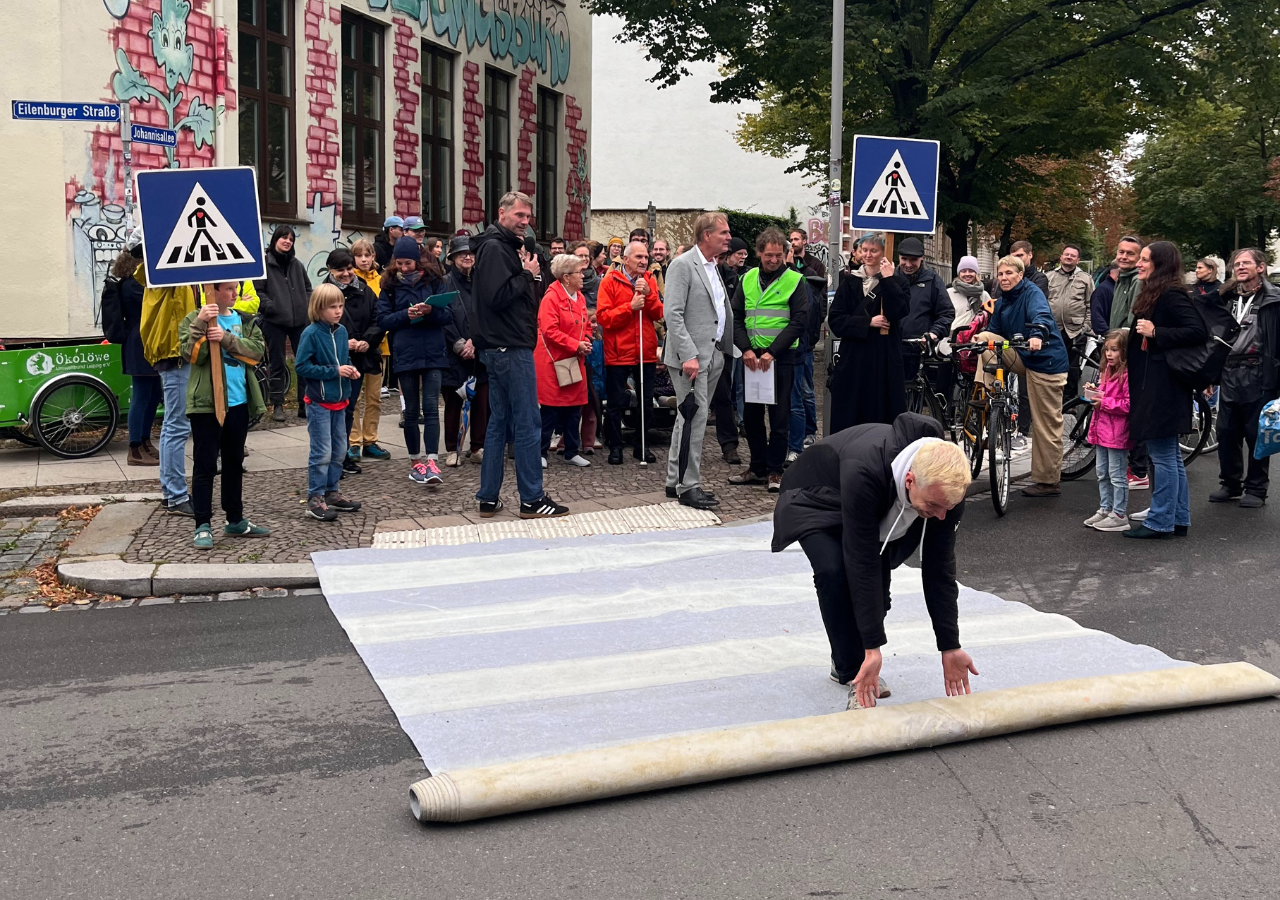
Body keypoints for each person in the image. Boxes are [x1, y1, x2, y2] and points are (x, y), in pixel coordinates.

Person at [771, 413, 978, 710]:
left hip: (870, 502)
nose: (941, 516)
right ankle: (851, 669)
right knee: (836, 573)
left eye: (947, 508)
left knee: (877, 598)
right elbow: (861, 558)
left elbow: (939, 569)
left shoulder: (945, 490)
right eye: (934, 506)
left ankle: (853, 654)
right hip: (814, 495)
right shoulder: (865, 469)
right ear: (910, 480)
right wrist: (872, 650)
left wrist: (950, 645)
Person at [471, 191, 570, 519]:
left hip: (502, 346)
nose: (525, 222)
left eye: (528, 217)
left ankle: (488, 497)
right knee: (528, 422)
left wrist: (529, 274)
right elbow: (496, 296)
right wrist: (527, 275)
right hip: (509, 348)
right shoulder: (496, 248)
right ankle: (531, 499)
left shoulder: (503, 247)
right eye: (519, 216)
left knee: (499, 422)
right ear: (502, 213)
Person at [178, 281, 271, 548]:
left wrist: (226, 338)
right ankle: (202, 524)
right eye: (229, 289)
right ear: (212, 290)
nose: (235, 294)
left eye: (235, 288)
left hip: (238, 402)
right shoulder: (192, 319)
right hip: (207, 404)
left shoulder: (244, 319)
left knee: (234, 462)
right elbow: (192, 354)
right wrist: (201, 325)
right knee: (205, 464)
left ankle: (235, 519)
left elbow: (256, 352)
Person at [1124, 241, 1206, 539]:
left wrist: (1157, 332)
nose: (1139, 264)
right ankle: (1178, 518)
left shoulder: (1171, 294)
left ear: (1161, 264)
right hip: (1158, 383)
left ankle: (1160, 521)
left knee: (1163, 455)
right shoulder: (1158, 292)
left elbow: (1197, 331)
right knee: (1168, 455)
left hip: (1163, 386)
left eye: (1145, 259)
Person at [974, 255, 1069, 497]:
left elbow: (1042, 315)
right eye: (1001, 274)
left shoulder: (1032, 292)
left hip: (1046, 363)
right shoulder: (1004, 300)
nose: (1004, 278)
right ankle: (989, 395)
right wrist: (975, 340)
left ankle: (1048, 482)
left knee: (1045, 425)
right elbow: (994, 331)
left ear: (1020, 275)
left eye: (1009, 273)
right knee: (985, 340)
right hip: (1023, 357)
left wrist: (1037, 334)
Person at [727, 227, 809, 492]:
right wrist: (746, 349)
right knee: (751, 417)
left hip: (780, 359)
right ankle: (757, 468)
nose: (773, 260)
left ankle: (775, 471)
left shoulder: (796, 281)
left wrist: (772, 351)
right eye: (768, 255)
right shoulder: (747, 277)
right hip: (751, 358)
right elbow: (736, 316)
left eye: (778, 255)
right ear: (759, 253)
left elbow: (799, 322)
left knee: (779, 417)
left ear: (786, 254)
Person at [663, 211, 734, 510]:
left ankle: (673, 481)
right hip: (691, 358)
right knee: (695, 418)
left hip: (712, 354)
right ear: (706, 235)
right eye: (724, 233)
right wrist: (689, 354)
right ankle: (687, 485)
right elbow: (673, 314)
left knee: (687, 417)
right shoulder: (683, 265)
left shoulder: (712, 266)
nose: (729, 237)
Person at [378, 235, 452, 486]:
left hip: (432, 351)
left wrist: (431, 311)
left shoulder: (433, 280)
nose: (403, 268)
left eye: (408, 263)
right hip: (405, 351)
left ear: (417, 261)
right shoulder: (388, 285)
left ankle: (432, 461)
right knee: (410, 410)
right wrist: (405, 315)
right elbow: (383, 320)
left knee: (431, 408)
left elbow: (447, 315)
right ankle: (414, 461)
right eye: (399, 264)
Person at [1213, 248, 1280, 508]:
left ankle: (1256, 488)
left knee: (1257, 433)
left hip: (1259, 372)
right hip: (1229, 371)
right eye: (1236, 264)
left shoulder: (1274, 300)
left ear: (1260, 268)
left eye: (1246, 263)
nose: (1240, 267)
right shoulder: (1226, 299)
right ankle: (1230, 483)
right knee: (1227, 432)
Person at [294, 284, 364, 522]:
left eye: (340, 306)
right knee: (322, 451)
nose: (338, 311)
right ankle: (315, 498)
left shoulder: (342, 332)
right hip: (319, 402)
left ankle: (332, 492)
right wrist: (335, 371)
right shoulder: (311, 334)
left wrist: (350, 369)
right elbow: (301, 367)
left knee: (339, 450)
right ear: (319, 308)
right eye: (332, 307)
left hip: (340, 400)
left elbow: (344, 359)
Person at [826, 233, 908, 434]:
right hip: (854, 358)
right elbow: (836, 320)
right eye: (865, 250)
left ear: (883, 253)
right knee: (851, 414)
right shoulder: (849, 282)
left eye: (874, 250)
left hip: (884, 359)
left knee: (882, 412)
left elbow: (899, 311)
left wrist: (888, 280)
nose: (869, 254)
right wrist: (867, 322)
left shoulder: (898, 282)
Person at [138, 247, 198, 517]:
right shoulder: (166, 272)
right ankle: (175, 495)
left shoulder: (164, 272)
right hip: (175, 353)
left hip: (177, 352)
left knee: (174, 425)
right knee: (177, 426)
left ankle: (172, 491)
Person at [598, 240, 664, 465]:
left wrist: (650, 296)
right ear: (625, 259)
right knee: (616, 403)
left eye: (646, 257)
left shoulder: (649, 281)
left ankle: (641, 446)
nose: (644, 261)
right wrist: (630, 308)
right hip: (619, 352)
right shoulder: (610, 282)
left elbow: (657, 315)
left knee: (645, 402)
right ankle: (615, 447)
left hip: (644, 351)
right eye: (639, 257)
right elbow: (604, 318)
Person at [322, 247, 384, 476]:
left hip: (360, 357)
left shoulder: (365, 290)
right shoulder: (323, 292)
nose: (347, 274)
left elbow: (378, 317)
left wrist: (367, 341)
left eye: (349, 269)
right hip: (333, 360)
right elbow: (318, 327)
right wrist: (343, 342)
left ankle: (344, 454)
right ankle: (331, 457)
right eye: (340, 270)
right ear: (330, 270)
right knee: (333, 409)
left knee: (348, 408)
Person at [105, 244, 160, 467]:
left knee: (154, 394)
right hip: (139, 345)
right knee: (141, 396)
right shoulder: (134, 284)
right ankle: (134, 448)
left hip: (148, 343)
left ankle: (145, 441)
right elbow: (154, 305)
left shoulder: (138, 282)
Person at [536, 254, 593, 468]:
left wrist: (586, 340)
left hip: (574, 360)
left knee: (574, 408)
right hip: (554, 362)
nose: (583, 275)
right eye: (579, 272)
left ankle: (571, 450)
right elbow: (549, 330)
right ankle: (540, 452)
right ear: (566, 277)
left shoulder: (579, 297)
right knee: (550, 410)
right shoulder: (551, 298)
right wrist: (575, 344)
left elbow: (585, 324)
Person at [256, 225, 313, 422]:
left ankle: (304, 403)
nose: (287, 241)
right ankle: (277, 404)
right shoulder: (265, 264)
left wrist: (305, 305)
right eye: (283, 238)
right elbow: (258, 291)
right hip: (274, 321)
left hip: (299, 321)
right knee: (277, 363)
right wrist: (270, 306)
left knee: (304, 361)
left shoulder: (296, 264)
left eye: (290, 239)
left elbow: (308, 288)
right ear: (275, 240)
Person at [441, 235, 489, 467]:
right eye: (462, 254)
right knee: (453, 403)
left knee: (481, 402)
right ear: (453, 258)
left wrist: (476, 342)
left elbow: (487, 313)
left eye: (470, 253)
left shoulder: (482, 280)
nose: (468, 257)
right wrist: (459, 343)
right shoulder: (445, 282)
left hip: (480, 350)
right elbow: (444, 317)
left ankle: (478, 446)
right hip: (454, 353)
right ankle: (453, 449)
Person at [1083, 330, 1133, 532]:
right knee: (1102, 472)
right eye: (1107, 350)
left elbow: (1129, 405)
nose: (1109, 354)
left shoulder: (1127, 375)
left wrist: (1103, 402)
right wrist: (1094, 391)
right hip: (1103, 430)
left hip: (1117, 432)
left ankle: (1119, 513)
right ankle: (1106, 508)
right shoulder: (1106, 372)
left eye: (1114, 350)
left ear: (1124, 352)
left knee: (1117, 475)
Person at [347, 239, 391, 461]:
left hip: (377, 348)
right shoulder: (349, 280)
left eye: (368, 255)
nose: (364, 259)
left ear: (374, 256)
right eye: (359, 255)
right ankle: (354, 441)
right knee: (353, 397)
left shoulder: (382, 281)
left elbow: (383, 314)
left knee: (374, 397)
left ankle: (370, 439)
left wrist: (373, 339)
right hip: (353, 348)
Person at [710, 236, 751, 465]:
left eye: (720, 257)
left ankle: (729, 445)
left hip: (722, 345)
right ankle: (686, 443)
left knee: (724, 396)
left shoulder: (732, 277)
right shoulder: (696, 273)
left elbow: (735, 312)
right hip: (697, 344)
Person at [897, 236, 954, 383]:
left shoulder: (932, 280)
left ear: (921, 259)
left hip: (919, 348)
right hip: (892, 347)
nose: (908, 264)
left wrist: (934, 333)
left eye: (913, 260)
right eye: (904, 259)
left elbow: (946, 313)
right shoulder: (891, 278)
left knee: (915, 396)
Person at [788, 269, 828, 462]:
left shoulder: (804, 282)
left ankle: (807, 434)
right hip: (798, 349)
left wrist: (808, 345)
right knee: (800, 394)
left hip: (802, 349)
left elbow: (809, 321)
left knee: (803, 393)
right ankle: (800, 437)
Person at [1045, 243, 1093, 397]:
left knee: (1072, 367)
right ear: (1061, 257)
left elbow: (1091, 305)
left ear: (1078, 260)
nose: (1069, 257)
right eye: (1067, 254)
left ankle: (1069, 400)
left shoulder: (1085, 279)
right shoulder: (1049, 277)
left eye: (1073, 255)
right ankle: (1052, 397)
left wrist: (1086, 327)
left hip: (1075, 331)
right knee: (1051, 364)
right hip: (1053, 329)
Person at [947, 255, 990, 336]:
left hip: (977, 340)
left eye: (971, 271)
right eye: (963, 271)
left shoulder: (984, 295)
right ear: (959, 273)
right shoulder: (948, 293)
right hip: (952, 339)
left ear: (976, 273)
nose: (967, 274)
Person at [1089, 264, 1119, 336]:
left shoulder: (1117, 288)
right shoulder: (1103, 290)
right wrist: (1108, 334)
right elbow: (1097, 316)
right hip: (1110, 337)